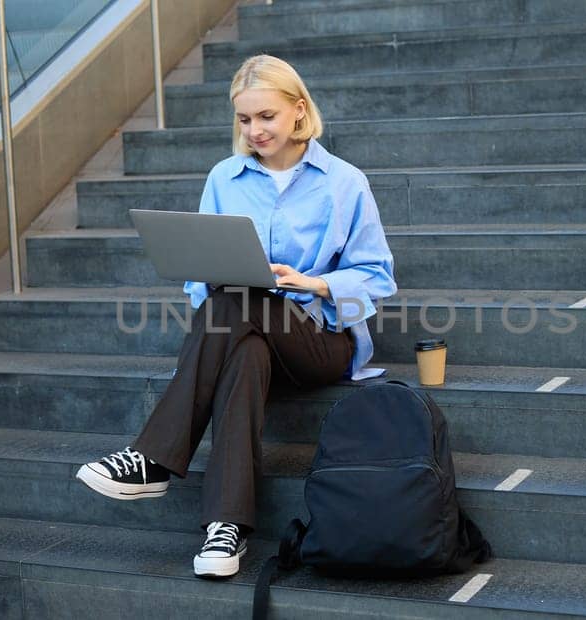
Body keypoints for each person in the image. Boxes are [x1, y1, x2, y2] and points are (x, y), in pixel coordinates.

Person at [76, 55, 397, 579]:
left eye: (266, 116)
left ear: (298, 110)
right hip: (242, 330)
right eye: (245, 120)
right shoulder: (225, 177)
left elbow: (378, 279)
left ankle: (152, 458)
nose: (255, 130)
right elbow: (198, 277)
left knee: (238, 300)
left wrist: (313, 283)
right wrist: (222, 289)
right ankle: (226, 530)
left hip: (320, 338)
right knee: (241, 342)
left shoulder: (344, 182)